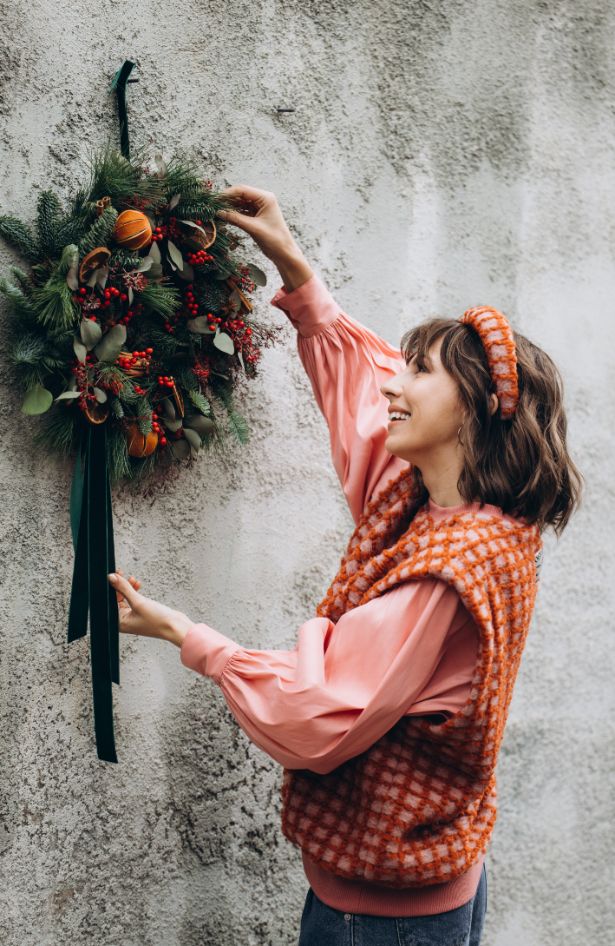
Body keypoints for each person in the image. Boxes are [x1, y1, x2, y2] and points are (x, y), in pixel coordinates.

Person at [108, 186, 583, 946]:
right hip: (428, 881)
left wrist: (187, 636)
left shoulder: (448, 566)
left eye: (420, 373)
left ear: (470, 409)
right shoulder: (453, 505)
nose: (393, 383)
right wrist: (293, 268)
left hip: (381, 915)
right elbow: (363, 401)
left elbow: (317, 709)